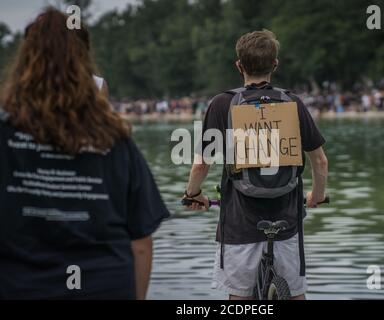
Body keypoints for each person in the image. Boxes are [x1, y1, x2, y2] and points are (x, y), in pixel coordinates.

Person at [0, 8, 170, 299]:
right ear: (84, 58)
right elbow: (141, 241)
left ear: (24, 60)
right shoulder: (116, 140)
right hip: (105, 284)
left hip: (23, 285)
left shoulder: (6, 133)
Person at [183, 30, 328, 300]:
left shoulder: (222, 104)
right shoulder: (293, 103)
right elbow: (319, 159)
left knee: (240, 300)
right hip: (287, 221)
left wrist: (192, 194)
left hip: (240, 226)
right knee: (296, 296)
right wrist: (317, 195)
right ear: (275, 64)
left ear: (239, 65)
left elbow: (201, 164)